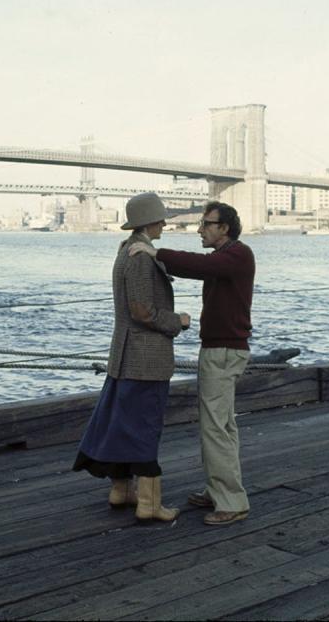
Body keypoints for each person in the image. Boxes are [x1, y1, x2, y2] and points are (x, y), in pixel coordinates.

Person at [128, 201, 254, 526]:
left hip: (223, 351)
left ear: (224, 227)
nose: (200, 229)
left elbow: (200, 267)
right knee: (221, 425)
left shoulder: (238, 255)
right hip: (219, 349)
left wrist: (156, 254)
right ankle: (218, 490)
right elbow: (202, 266)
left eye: (206, 224)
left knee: (216, 427)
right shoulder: (226, 258)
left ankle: (232, 501)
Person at [73, 192, 191, 524]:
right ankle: (150, 505)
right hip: (144, 359)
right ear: (150, 222)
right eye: (161, 218)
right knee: (145, 427)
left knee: (124, 424)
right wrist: (177, 321)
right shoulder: (141, 258)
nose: (165, 223)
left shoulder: (125, 250)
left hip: (124, 356)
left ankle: (122, 490)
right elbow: (141, 311)